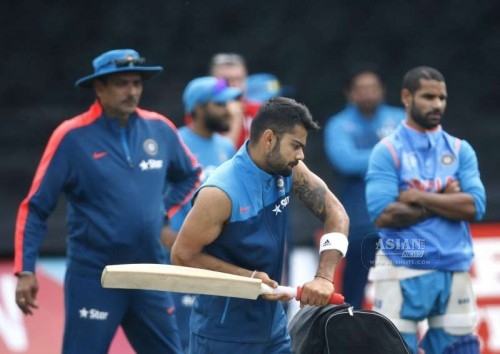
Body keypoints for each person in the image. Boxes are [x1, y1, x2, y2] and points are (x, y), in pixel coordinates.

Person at [13, 48, 201, 354]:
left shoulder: (160, 129)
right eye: (122, 83)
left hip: (148, 272)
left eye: (137, 83)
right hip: (94, 276)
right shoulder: (71, 137)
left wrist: (161, 210)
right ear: (99, 88)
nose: (132, 91)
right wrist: (25, 270)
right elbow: (35, 207)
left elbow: (191, 174)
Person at [171, 97, 350, 353]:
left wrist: (323, 277)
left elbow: (337, 213)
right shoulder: (220, 192)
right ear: (269, 139)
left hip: (273, 329)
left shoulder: (291, 169)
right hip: (222, 336)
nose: (301, 155)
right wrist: (250, 279)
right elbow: (182, 255)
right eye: (295, 146)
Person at [365, 66, 486, 353]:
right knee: (394, 349)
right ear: (406, 97)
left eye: (442, 98)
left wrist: (418, 196)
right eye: (428, 96)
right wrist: (444, 199)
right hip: (400, 267)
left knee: (461, 349)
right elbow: (383, 214)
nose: (437, 105)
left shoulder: (459, 149)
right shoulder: (387, 150)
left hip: (453, 267)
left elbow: (475, 206)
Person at [167, 76, 242, 351]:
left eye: (229, 103)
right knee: (182, 342)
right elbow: (153, 209)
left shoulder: (227, 148)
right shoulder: (173, 143)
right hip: (180, 263)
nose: (228, 110)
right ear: (198, 108)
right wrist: (181, 251)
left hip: (216, 265)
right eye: (220, 104)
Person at [323, 65, 406, 309]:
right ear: (350, 93)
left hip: (399, 218)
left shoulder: (400, 118)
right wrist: (391, 154)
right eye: (361, 89)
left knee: (403, 287)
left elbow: (414, 156)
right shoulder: (338, 125)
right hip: (357, 220)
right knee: (354, 290)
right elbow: (345, 161)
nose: (368, 93)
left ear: (382, 90)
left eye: (373, 88)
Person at [208, 52, 261, 148]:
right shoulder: (204, 111)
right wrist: (236, 119)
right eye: (226, 80)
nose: (233, 85)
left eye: (238, 79)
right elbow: (220, 156)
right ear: (213, 81)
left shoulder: (259, 111)